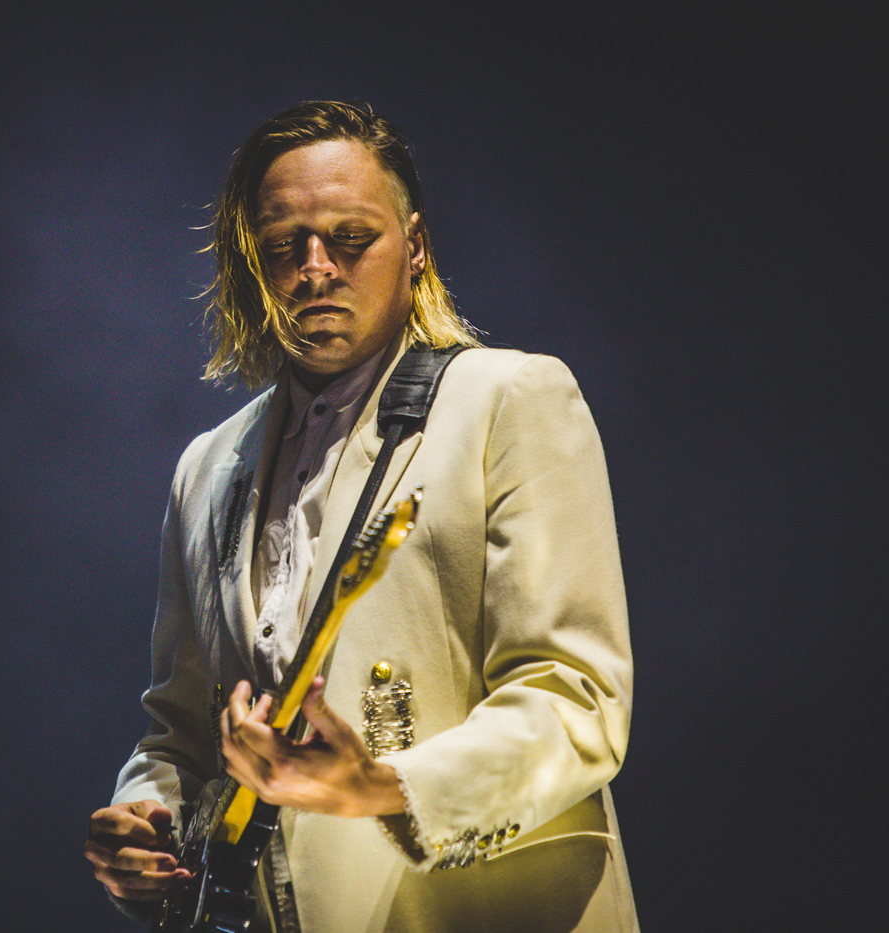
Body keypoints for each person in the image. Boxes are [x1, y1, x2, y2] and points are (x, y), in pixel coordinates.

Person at [85, 101, 638, 933]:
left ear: (415, 246)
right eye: (284, 245)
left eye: (351, 238)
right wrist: (146, 815)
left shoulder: (511, 398)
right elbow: (180, 733)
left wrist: (381, 788)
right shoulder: (206, 466)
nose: (316, 268)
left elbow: (576, 703)